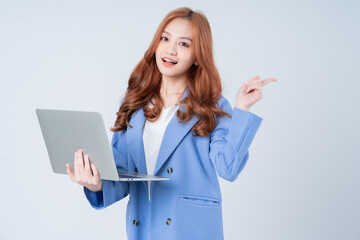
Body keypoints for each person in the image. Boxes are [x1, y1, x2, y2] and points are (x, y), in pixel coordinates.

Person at [66, 7, 276, 240]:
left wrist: (243, 108)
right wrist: (96, 184)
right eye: (165, 38)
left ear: (198, 56)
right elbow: (123, 176)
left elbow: (228, 167)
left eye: (184, 44)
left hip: (191, 231)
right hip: (143, 230)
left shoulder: (212, 105)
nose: (170, 49)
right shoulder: (135, 104)